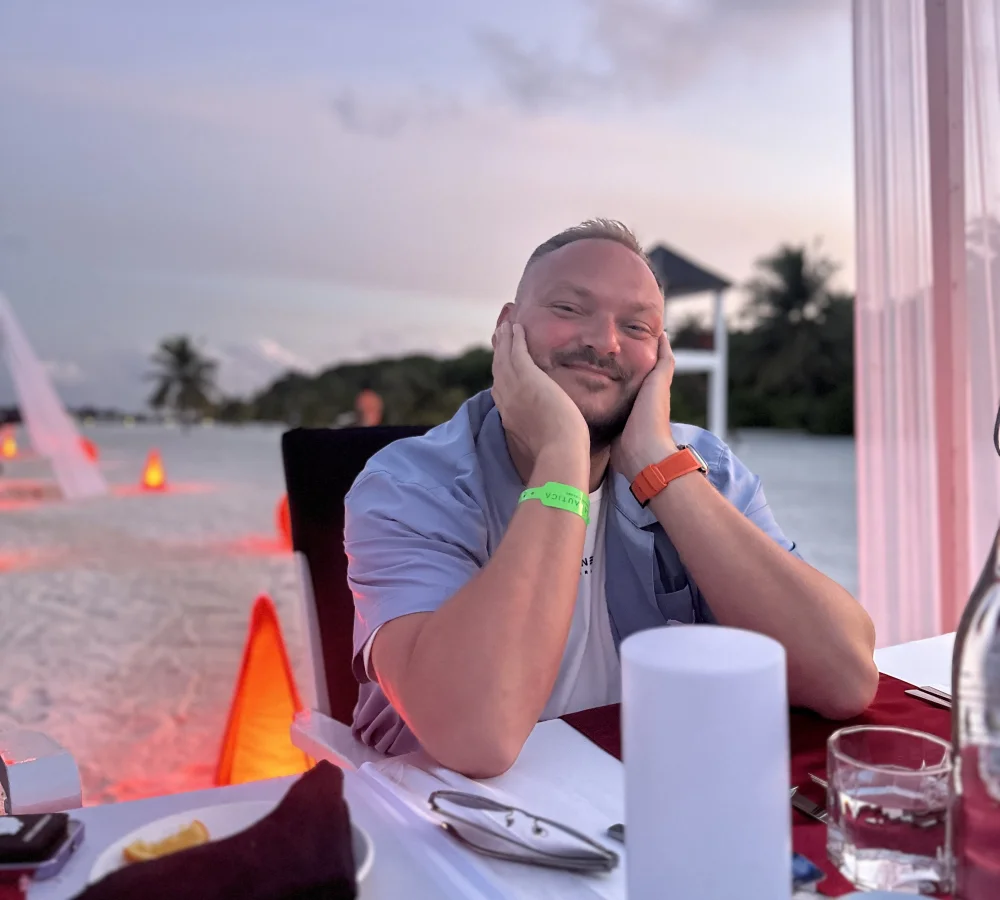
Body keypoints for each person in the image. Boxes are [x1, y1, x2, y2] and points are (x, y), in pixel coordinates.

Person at [345, 219, 878, 777]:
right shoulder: (412, 487)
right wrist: (562, 453)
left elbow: (843, 677)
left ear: (661, 356)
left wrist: (656, 463)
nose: (604, 342)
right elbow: (477, 736)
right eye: (569, 309)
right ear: (506, 329)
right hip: (461, 812)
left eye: (636, 326)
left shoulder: (704, 469)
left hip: (650, 784)